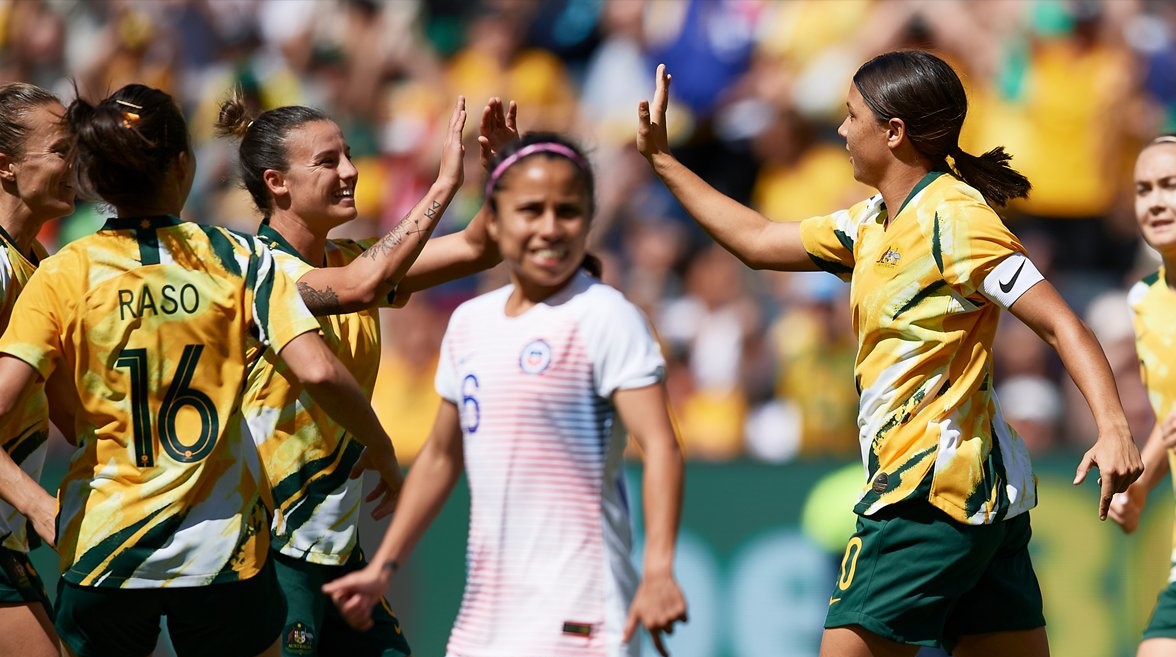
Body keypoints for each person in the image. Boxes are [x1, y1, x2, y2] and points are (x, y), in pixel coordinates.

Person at [636, 51, 1143, 657]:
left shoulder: (955, 220)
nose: (842, 131)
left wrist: (1113, 427)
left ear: (893, 132)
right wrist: (663, 160)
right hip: (982, 500)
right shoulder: (872, 222)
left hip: (923, 495)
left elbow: (1062, 323)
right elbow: (757, 241)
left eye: (852, 117)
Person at [0, 82, 403, 657]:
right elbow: (318, 372)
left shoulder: (63, 272)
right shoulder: (238, 259)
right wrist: (380, 447)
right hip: (221, 554)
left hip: (106, 549)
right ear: (183, 166)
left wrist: (43, 501)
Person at [323, 132, 689, 657]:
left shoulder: (606, 316)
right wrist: (383, 567)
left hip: (582, 610)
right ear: (493, 221)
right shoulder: (470, 323)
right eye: (530, 210)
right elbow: (441, 457)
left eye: (567, 211)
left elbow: (660, 447)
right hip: (485, 620)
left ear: (588, 220)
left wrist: (657, 571)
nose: (549, 227)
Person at [214, 95, 514, 657]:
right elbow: (362, 287)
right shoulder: (256, 271)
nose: (351, 171)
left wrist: (506, 171)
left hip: (338, 552)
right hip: (269, 555)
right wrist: (442, 187)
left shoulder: (351, 260)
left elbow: (484, 245)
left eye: (348, 155)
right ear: (277, 183)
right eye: (328, 162)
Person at [0, 81, 75, 657]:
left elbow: (73, 414)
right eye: (60, 149)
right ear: (6, 166)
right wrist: (35, 501)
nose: (76, 165)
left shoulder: (40, 266)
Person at [1110, 135, 1176, 657]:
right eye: (1144, 189)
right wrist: (1142, 486)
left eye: (1170, 186)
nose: (1155, 201)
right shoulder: (1144, 300)